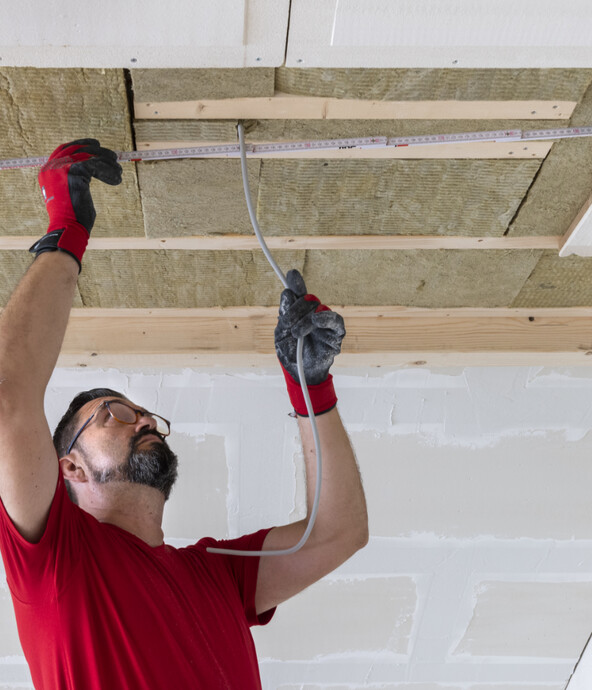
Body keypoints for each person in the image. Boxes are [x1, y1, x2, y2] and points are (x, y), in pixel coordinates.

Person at [0, 140, 368, 689]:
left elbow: (337, 533)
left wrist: (309, 387)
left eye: (143, 414)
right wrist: (66, 225)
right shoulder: (58, 559)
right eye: (115, 414)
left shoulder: (213, 574)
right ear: (68, 468)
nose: (144, 420)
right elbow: (9, 398)